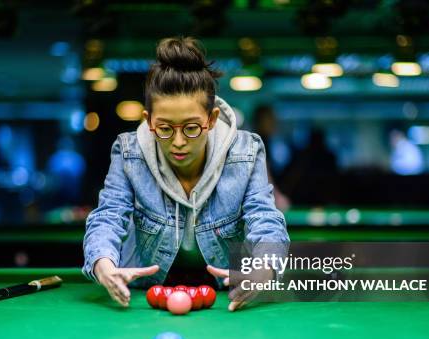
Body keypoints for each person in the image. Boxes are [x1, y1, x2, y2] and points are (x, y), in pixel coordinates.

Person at [82, 37, 289, 311]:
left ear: (212, 119)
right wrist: (104, 266)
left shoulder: (246, 151)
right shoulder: (129, 152)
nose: (178, 141)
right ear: (148, 120)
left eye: (191, 128)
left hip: (224, 290)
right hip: (145, 293)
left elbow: (265, 218)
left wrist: (265, 270)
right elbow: (108, 217)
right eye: (165, 128)